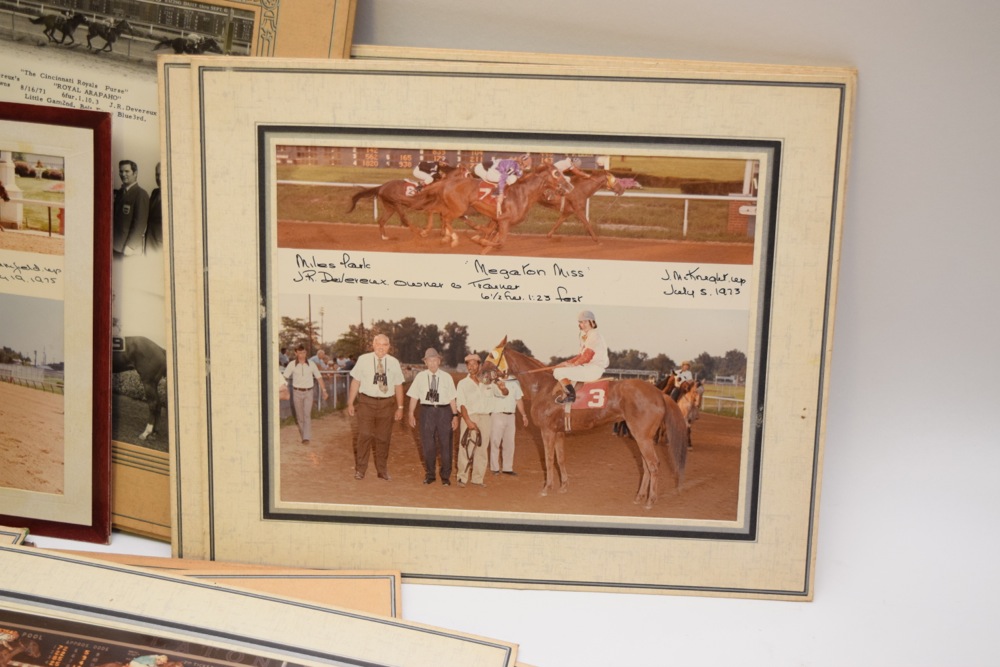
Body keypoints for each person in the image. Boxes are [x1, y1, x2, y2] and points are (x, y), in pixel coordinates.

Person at [347, 334, 404, 480]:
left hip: (386, 404)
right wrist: (350, 402)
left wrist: (400, 407)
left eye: (384, 345)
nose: (381, 347)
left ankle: (382, 470)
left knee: (383, 438)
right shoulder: (363, 359)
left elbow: (398, 385)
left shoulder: (393, 362)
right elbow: (355, 382)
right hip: (366, 403)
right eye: (378, 344)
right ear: (373, 345)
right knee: (364, 435)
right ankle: (360, 469)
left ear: (389, 347)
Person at [406, 348, 458, 485]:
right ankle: (430, 475)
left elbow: (452, 398)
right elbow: (414, 396)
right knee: (428, 444)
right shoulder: (420, 377)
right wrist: (411, 413)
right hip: (427, 411)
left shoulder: (447, 377)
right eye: (430, 361)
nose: (433, 363)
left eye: (435, 360)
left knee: (445, 445)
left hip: (444, 412)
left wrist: (455, 415)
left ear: (439, 361)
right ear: (426, 362)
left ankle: (445, 476)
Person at [455, 353, 508, 487]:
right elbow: (461, 404)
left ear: (479, 365)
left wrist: (503, 388)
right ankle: (462, 477)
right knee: (465, 447)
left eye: (474, 364)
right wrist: (468, 421)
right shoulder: (463, 384)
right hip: (469, 416)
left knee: (482, 449)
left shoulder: (488, 382)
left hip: (485, 418)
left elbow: (504, 393)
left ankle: (477, 479)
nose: (471, 367)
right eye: (469, 364)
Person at [552, 309, 609, 405]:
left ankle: (571, 396)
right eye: (581, 322)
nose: (583, 324)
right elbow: (580, 356)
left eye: (586, 321)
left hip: (593, 369)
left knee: (558, 372)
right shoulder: (585, 335)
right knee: (559, 368)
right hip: (588, 367)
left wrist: (573, 365)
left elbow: (587, 356)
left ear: (592, 322)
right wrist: (566, 363)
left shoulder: (594, 335)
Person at [282, 344, 328, 444]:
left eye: (303, 353)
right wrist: (282, 389)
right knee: (300, 416)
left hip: (309, 392)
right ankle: (304, 434)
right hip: (296, 392)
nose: (302, 355)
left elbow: (319, 377)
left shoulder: (311, 364)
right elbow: (284, 377)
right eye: (299, 353)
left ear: (306, 352)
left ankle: (306, 437)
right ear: (296, 353)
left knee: (307, 414)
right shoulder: (292, 364)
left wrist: (324, 390)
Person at [489, 376, 528, 476]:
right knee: (495, 442)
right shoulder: (494, 381)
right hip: (497, 414)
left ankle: (507, 468)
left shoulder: (514, 382)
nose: (503, 370)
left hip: (511, 416)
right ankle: (495, 467)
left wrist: (524, 415)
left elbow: (518, 399)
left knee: (509, 443)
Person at [113, 159, 150, 257]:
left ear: (135, 173)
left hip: (128, 249)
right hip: (115, 245)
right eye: (121, 171)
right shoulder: (120, 193)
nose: (123, 174)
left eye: (127, 171)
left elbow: (140, 223)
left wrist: (130, 246)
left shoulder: (141, 194)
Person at [145, 162, 163, 253]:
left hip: (161, 245)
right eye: (157, 175)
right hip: (149, 242)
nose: (159, 178)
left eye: (162, 174)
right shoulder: (154, 192)